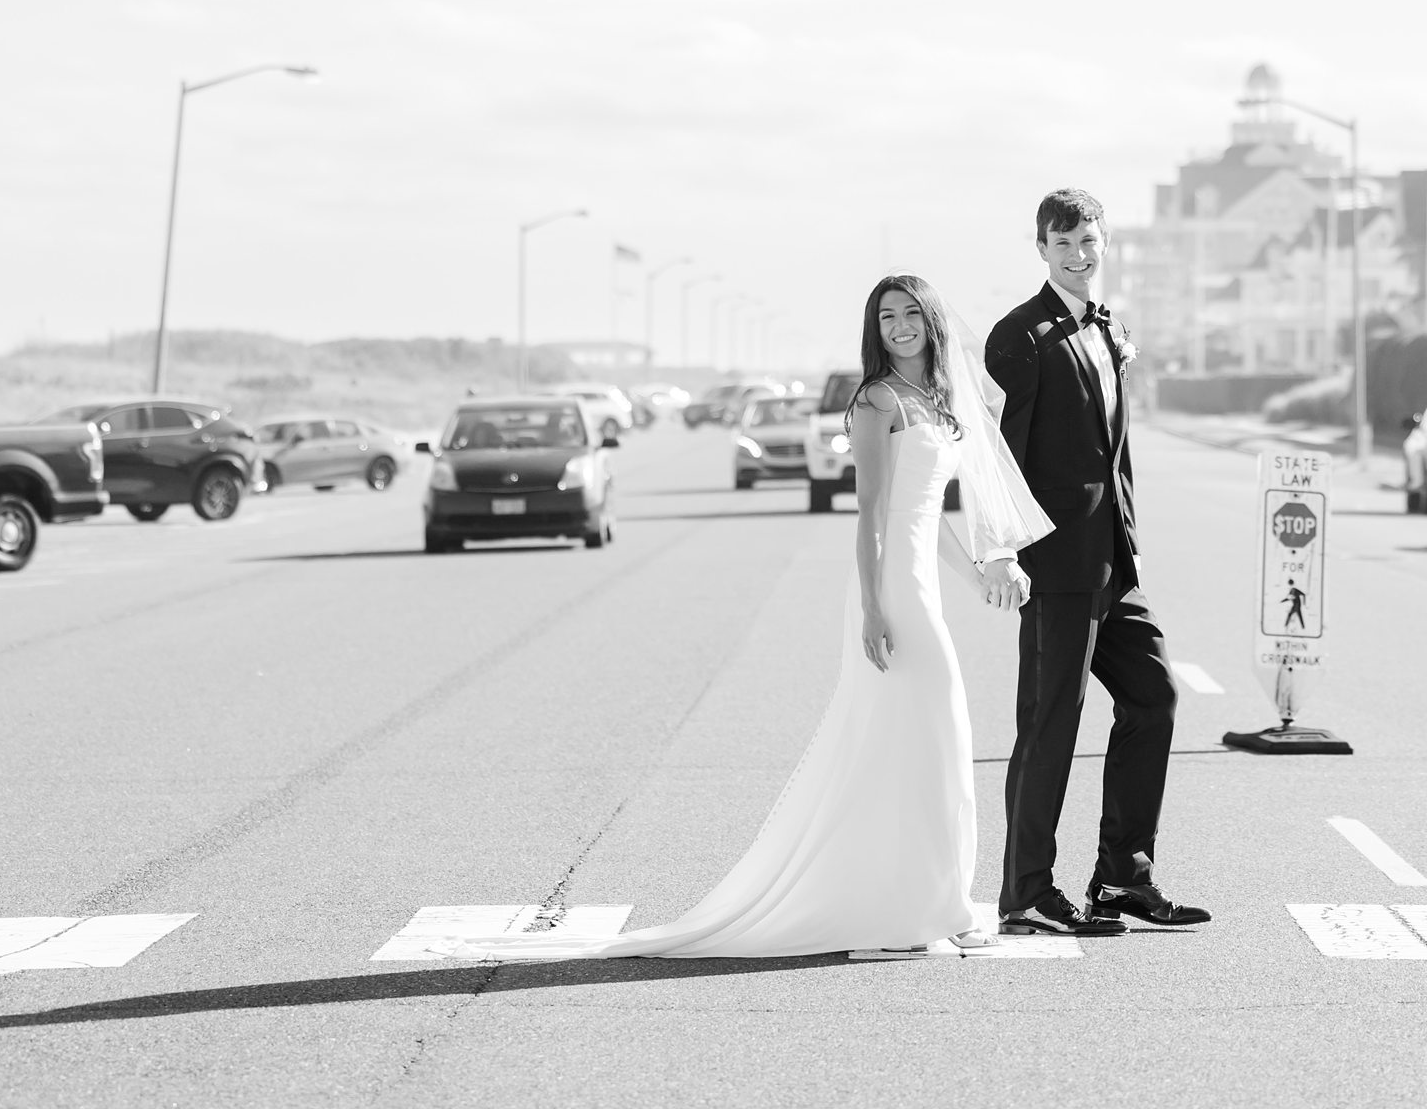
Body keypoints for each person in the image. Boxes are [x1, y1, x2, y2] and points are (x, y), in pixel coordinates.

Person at [449, 275, 1049, 962]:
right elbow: (873, 516)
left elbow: (930, 514)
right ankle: (905, 912)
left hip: (921, 584)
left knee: (931, 739)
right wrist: (875, 607)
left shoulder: (936, 403)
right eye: (887, 316)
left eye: (911, 313)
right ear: (874, 328)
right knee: (919, 733)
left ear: (932, 321)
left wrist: (975, 576)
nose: (900, 326)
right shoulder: (879, 403)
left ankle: (937, 900)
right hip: (890, 591)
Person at [985, 188, 1211, 936]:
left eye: (1089, 243)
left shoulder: (1106, 328)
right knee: (1051, 723)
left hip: (1114, 558)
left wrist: (1127, 538)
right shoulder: (1021, 337)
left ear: (1104, 244)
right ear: (1041, 249)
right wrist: (1003, 551)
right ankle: (1026, 893)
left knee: (1153, 697)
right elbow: (997, 459)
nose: (1079, 257)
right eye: (1063, 244)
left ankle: (1122, 876)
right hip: (1056, 563)